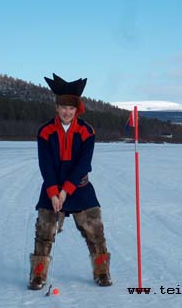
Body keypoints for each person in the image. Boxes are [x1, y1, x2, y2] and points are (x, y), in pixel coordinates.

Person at [28, 73, 112, 290]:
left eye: (71, 108)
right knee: (45, 232)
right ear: (57, 108)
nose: (67, 112)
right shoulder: (45, 131)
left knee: (95, 232)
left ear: (77, 110)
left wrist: (66, 191)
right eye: (63, 107)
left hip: (80, 188)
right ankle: (38, 275)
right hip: (52, 188)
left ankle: (102, 272)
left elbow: (83, 164)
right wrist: (54, 192)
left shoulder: (86, 131)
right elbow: (45, 165)